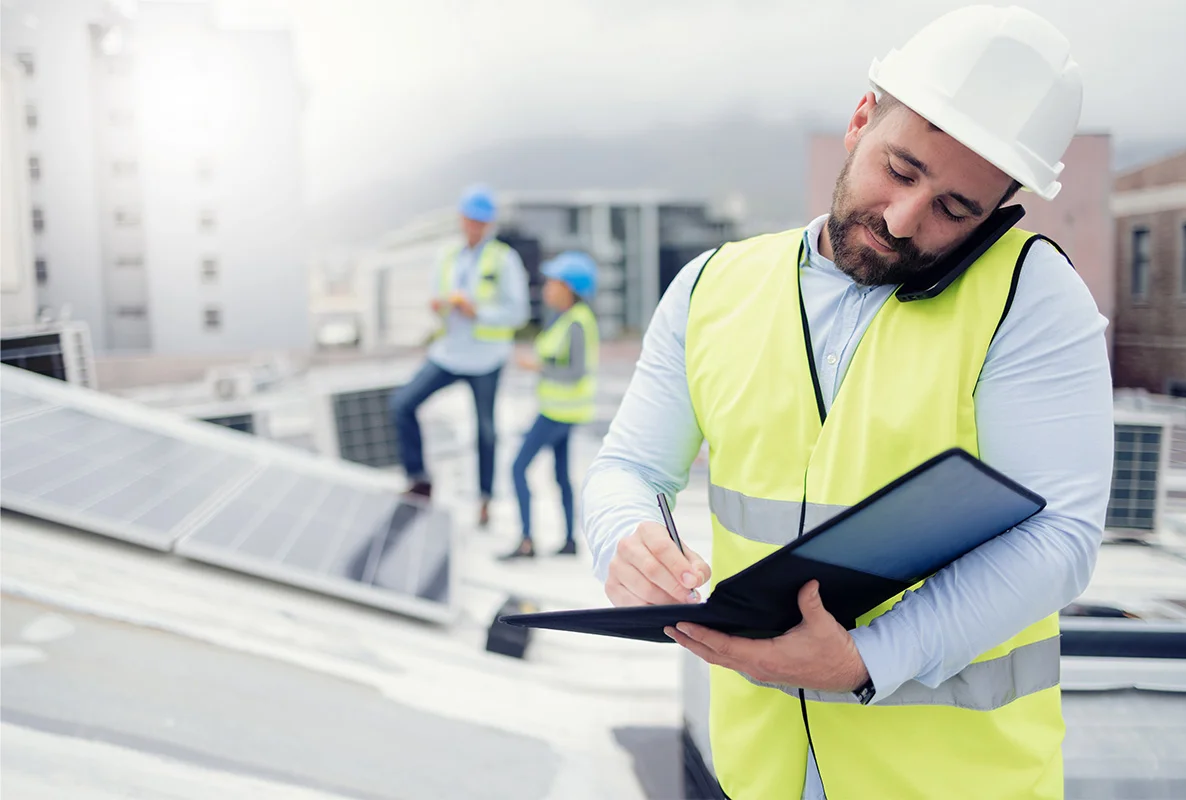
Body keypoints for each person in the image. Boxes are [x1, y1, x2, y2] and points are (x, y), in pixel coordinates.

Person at [581, 6, 1113, 800]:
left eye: (955, 210)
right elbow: (628, 466)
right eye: (901, 171)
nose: (904, 221)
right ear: (861, 120)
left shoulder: (1032, 299)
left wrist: (871, 657)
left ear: (1002, 205)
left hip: (955, 783)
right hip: (762, 772)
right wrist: (624, 538)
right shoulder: (711, 288)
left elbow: (1061, 536)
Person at [390, 184, 530, 526]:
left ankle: (485, 500)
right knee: (401, 404)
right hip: (449, 353)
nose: (474, 227)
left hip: (486, 359)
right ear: (461, 219)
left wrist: (477, 311)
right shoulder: (447, 256)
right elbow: (438, 300)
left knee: (485, 432)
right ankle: (419, 479)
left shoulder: (504, 259)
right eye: (470, 220)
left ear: (489, 224)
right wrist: (439, 306)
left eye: (481, 222)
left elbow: (518, 313)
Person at [500, 252, 601, 560]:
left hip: (558, 412)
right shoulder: (566, 319)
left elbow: (575, 371)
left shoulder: (576, 324)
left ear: (568, 288)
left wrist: (536, 367)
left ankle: (527, 541)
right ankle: (569, 542)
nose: (546, 287)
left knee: (517, 468)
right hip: (562, 411)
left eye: (553, 282)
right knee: (560, 475)